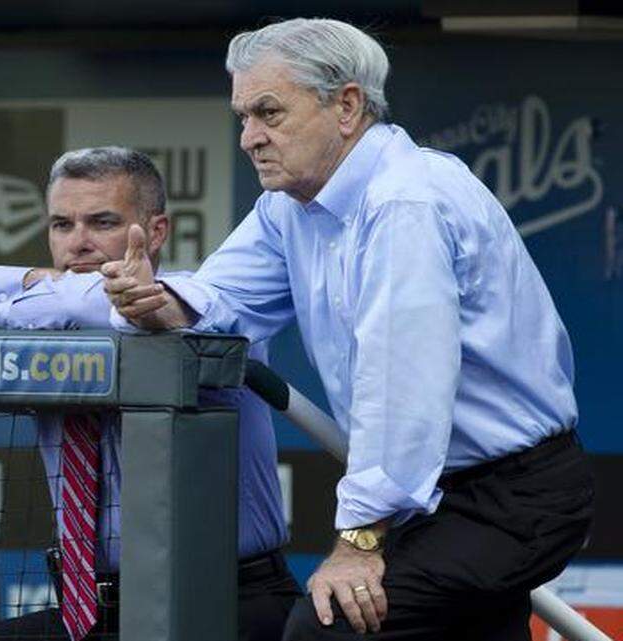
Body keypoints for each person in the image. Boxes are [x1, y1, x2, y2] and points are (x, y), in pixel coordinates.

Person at [100, 18, 594, 641]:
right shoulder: (290, 205)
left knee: (326, 627)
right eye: (242, 117)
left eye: (268, 112)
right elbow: (222, 299)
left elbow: (403, 390)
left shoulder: (402, 202)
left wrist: (360, 540)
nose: (249, 138)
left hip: (512, 493)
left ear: (348, 105)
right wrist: (154, 300)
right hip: (439, 493)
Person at [0, 146, 300, 641]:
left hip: (224, 603)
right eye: (61, 225)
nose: (78, 243)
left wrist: (26, 303)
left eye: (101, 223)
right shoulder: (42, 304)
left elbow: (118, 312)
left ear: (156, 231)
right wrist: (37, 280)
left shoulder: (195, 303)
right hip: (94, 612)